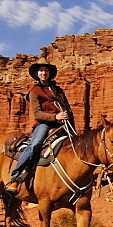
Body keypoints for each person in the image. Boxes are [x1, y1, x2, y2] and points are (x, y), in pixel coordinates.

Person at [7, 62, 75, 192]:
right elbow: (37, 114)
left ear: (49, 73)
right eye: (41, 71)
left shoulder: (58, 90)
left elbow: (67, 108)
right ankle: (15, 178)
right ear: (37, 74)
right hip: (44, 124)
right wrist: (55, 117)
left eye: (46, 70)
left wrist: (69, 122)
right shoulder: (34, 92)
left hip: (62, 123)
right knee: (35, 145)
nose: (43, 73)